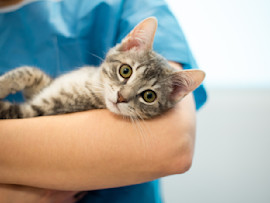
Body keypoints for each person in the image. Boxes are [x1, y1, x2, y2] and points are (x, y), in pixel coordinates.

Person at [0, 0, 207, 202]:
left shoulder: (130, 5)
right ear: (128, 46)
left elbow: (173, 146)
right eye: (125, 71)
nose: (123, 96)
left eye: (148, 95)